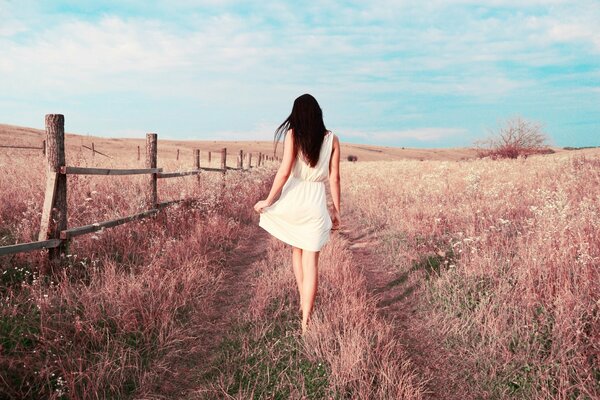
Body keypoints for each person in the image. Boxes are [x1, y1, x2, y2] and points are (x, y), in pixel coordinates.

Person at [254, 93, 341, 334]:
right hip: (315, 204)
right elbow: (334, 178)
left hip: (294, 200)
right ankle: (306, 322)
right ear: (318, 113)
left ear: (297, 114)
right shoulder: (332, 139)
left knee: (296, 249)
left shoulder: (293, 135)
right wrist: (336, 211)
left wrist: (268, 200)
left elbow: (283, 172)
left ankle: (304, 306)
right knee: (311, 262)